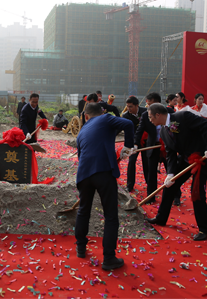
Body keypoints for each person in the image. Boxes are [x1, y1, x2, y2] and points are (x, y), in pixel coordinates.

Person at [145, 103, 207, 241]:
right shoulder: (163, 131)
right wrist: (170, 174)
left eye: (150, 117)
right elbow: (170, 153)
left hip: (201, 157)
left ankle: (205, 229)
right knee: (170, 186)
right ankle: (161, 218)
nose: (150, 120)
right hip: (185, 159)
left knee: (197, 192)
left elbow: (206, 125)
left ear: (158, 115)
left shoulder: (182, 116)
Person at [75, 103, 134, 270]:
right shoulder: (106, 118)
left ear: (86, 116)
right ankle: (108, 258)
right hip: (103, 173)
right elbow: (128, 124)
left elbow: (82, 155)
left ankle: (80, 247)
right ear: (102, 112)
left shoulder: (82, 132)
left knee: (83, 210)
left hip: (84, 174)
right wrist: (128, 146)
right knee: (110, 216)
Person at [134, 92, 176, 204]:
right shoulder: (145, 115)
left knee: (171, 171)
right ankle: (151, 196)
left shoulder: (170, 113)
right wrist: (135, 144)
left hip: (167, 146)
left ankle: (176, 196)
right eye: (147, 104)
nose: (148, 107)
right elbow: (139, 131)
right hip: (153, 145)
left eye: (151, 104)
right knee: (151, 172)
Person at [122, 96, 147, 192]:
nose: (129, 109)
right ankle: (129, 185)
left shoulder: (145, 111)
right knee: (131, 162)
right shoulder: (125, 116)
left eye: (131, 106)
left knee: (146, 162)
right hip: (132, 142)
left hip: (145, 141)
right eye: (127, 106)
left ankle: (149, 183)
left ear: (137, 105)